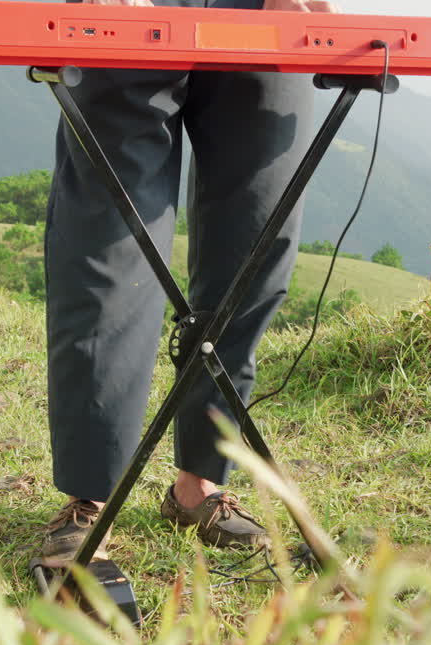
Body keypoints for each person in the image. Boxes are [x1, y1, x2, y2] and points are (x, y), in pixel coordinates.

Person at [38, 0, 338, 567]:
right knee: (109, 255)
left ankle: (198, 486)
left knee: (255, 248)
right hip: (125, 13)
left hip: (266, 18)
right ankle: (90, 497)